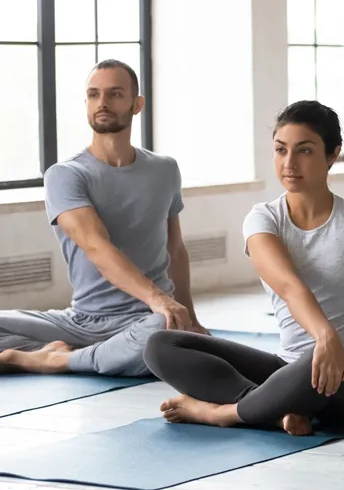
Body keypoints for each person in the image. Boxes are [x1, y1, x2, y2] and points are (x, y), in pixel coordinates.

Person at [143, 101, 344, 436]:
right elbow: (290, 286)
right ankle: (277, 410)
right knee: (161, 345)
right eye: (281, 150)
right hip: (290, 369)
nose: (289, 163)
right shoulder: (263, 219)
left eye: (304, 150)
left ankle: (222, 414)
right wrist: (324, 335)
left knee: (315, 361)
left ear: (333, 154)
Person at [0, 59, 204, 377]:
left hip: (147, 318)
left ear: (137, 104)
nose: (102, 103)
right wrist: (161, 299)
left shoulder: (165, 169)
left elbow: (175, 248)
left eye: (114, 94)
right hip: (82, 320)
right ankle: (71, 355)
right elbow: (97, 248)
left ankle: (57, 359)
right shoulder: (65, 175)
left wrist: (189, 317)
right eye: (93, 94)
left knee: (160, 336)